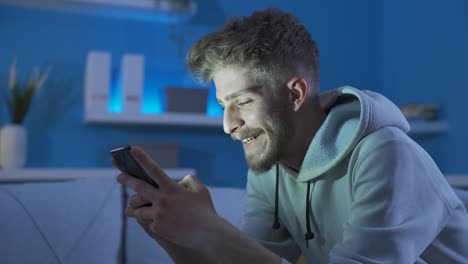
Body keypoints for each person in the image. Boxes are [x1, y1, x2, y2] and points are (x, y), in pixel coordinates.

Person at [114, 8, 468, 264]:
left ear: (295, 94)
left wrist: (210, 228)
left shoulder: (384, 154)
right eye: (224, 105)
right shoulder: (270, 166)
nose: (228, 124)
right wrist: (179, 237)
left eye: (243, 102)